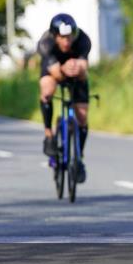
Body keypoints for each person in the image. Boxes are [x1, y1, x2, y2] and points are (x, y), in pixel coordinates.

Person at [37, 13, 91, 183]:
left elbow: (84, 66)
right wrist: (64, 69)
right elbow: (56, 73)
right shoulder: (46, 43)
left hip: (75, 72)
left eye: (69, 37)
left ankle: (78, 158)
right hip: (54, 70)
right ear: (55, 36)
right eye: (62, 38)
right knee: (47, 90)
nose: (67, 42)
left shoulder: (83, 40)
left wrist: (77, 68)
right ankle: (49, 134)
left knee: (82, 117)